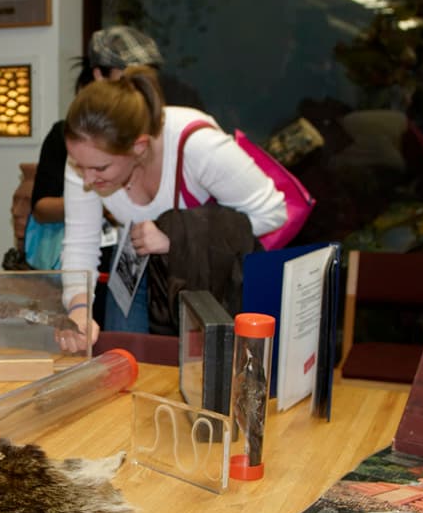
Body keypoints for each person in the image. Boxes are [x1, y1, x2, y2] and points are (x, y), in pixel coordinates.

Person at [57, 67, 288, 352]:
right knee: (123, 360)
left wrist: (176, 235)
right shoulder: (84, 160)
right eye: (79, 166)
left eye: (100, 168)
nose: (88, 179)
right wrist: (79, 307)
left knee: (205, 369)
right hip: (135, 263)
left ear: (139, 147)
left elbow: (274, 212)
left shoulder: (197, 145)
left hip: (206, 277)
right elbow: (81, 243)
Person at [27, 26, 166, 292]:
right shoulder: (67, 135)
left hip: (145, 261)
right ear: (99, 75)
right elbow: (42, 208)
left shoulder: (160, 133)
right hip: (90, 264)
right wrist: (102, 201)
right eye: (126, 76)